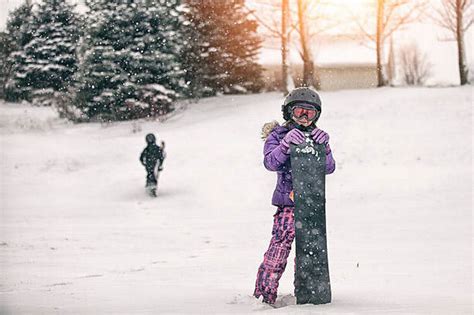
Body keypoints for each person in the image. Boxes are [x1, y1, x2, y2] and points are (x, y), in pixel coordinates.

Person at [254, 87, 336, 305]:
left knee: (310, 250)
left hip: (311, 204)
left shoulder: (317, 137)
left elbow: (329, 168)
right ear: (288, 112)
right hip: (288, 204)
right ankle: (265, 292)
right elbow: (270, 162)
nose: (304, 117)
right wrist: (285, 145)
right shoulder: (278, 135)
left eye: (310, 113)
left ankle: (309, 292)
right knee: (280, 246)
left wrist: (325, 148)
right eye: (299, 111)